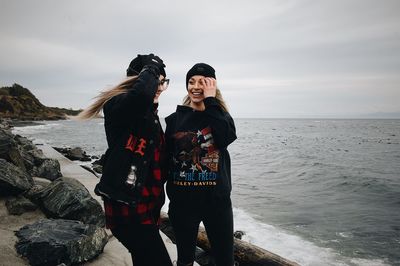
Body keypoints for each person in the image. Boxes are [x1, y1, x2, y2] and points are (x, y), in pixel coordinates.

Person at [78, 53, 173, 266]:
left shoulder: (150, 114)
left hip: (147, 208)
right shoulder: (116, 105)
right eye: (154, 81)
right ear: (137, 80)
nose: (159, 87)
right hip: (127, 210)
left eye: (163, 82)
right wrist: (152, 66)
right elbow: (139, 97)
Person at [165, 63, 237, 266]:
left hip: (217, 203)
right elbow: (165, 160)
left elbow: (225, 138)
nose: (196, 86)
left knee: (225, 260)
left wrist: (211, 100)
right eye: (191, 81)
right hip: (182, 204)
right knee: (185, 260)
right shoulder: (174, 120)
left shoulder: (221, 117)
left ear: (212, 85)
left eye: (202, 82)